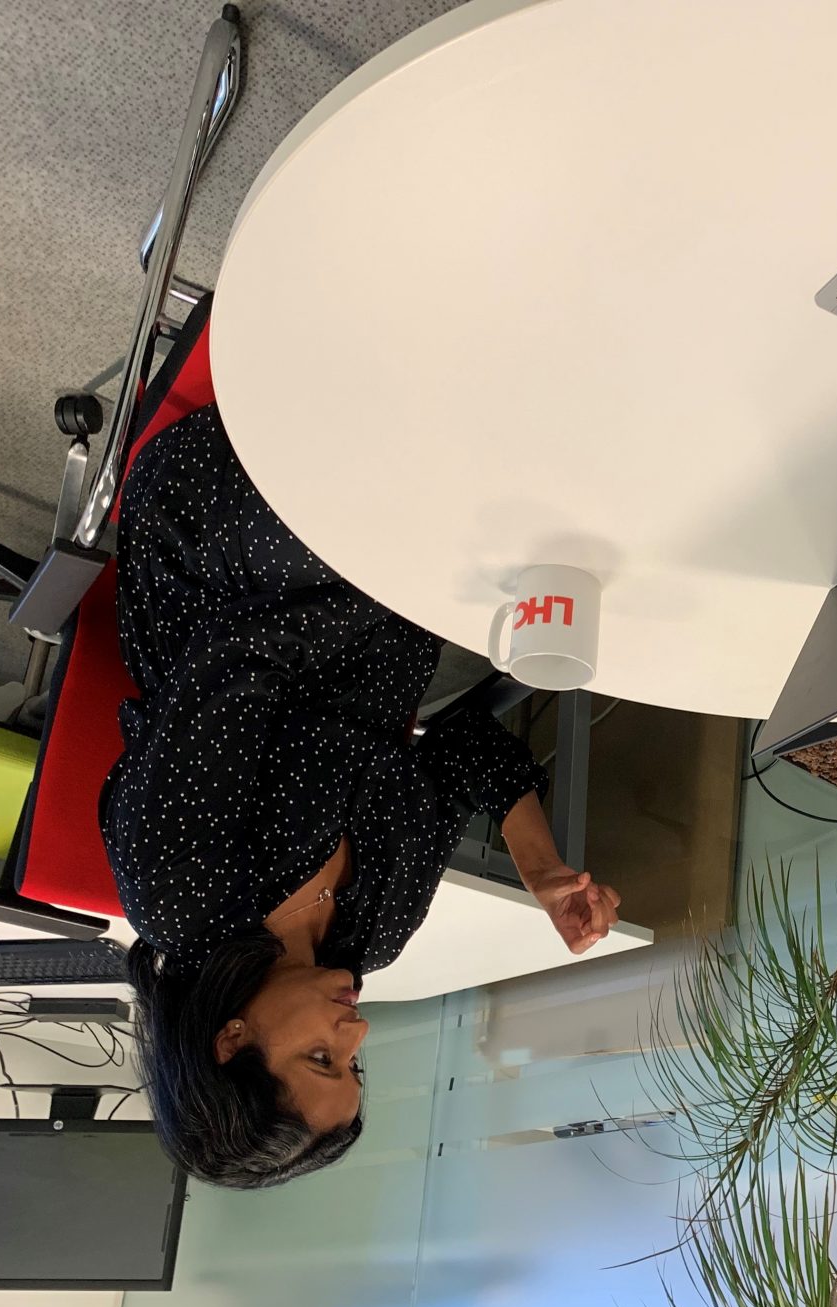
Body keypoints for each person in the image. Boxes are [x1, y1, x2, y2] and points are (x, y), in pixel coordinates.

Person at [105, 401, 619, 1189]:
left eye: (322, 1057)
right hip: (378, 609)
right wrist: (541, 870)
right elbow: (462, 750)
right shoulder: (373, 936)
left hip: (231, 568)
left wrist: (404, 583)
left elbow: (239, 657)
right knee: (566, 509)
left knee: (472, 473)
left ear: (231, 1040)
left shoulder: (182, 893)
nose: (357, 1034)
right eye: (355, 1066)